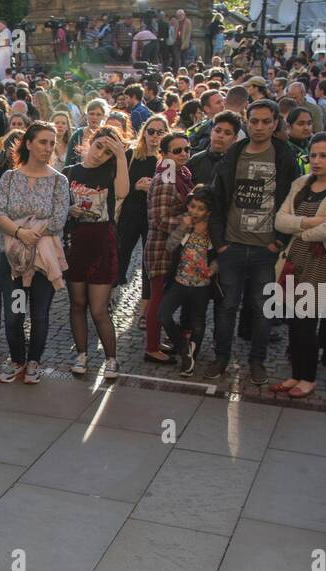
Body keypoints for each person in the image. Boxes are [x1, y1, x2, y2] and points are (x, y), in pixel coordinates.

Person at [207, 99, 301, 384]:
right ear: (246, 121)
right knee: (226, 307)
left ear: (275, 123)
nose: (259, 127)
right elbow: (218, 197)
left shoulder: (285, 156)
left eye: (265, 121)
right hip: (232, 246)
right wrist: (220, 243)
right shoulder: (234, 152)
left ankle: (257, 361)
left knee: (262, 309)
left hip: (266, 248)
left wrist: (279, 241)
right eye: (254, 121)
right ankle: (221, 357)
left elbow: (294, 200)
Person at [269, 132, 326, 399]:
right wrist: (309, 223)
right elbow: (279, 220)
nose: (317, 161)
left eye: (323, 155)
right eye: (313, 155)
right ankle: (296, 374)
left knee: (307, 322)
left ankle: (307, 378)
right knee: (295, 323)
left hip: (322, 261)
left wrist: (299, 228)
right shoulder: (300, 183)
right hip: (295, 259)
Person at [0, 120, 71, 385]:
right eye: (43, 142)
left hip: (43, 263)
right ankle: (17, 361)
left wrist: (26, 231)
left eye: (52, 142)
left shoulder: (59, 181)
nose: (48, 147)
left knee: (39, 315)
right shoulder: (10, 177)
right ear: (28, 143)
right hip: (14, 262)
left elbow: (58, 220)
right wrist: (19, 233)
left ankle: (34, 361)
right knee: (14, 315)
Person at [64, 127, 129, 378]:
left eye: (107, 151)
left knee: (99, 310)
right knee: (77, 303)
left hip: (103, 244)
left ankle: (111, 359)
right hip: (75, 243)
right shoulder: (69, 172)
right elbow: (59, 207)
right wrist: (69, 211)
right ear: (89, 142)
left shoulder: (112, 171)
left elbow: (123, 192)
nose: (100, 153)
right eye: (99, 145)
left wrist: (121, 157)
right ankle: (81, 355)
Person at [143, 130, 194, 365]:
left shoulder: (181, 174)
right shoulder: (165, 178)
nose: (183, 154)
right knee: (158, 299)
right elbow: (160, 219)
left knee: (163, 299)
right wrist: (188, 222)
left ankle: (157, 341)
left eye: (186, 149)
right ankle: (151, 348)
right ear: (163, 154)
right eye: (177, 150)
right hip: (161, 248)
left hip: (172, 247)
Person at [158, 184, 218, 374]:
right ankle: (184, 347)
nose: (195, 212)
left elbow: (221, 255)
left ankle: (190, 355)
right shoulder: (184, 224)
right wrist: (183, 228)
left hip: (202, 285)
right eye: (192, 206)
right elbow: (169, 246)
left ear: (208, 211)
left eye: (200, 209)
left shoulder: (212, 230)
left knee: (198, 323)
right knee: (164, 314)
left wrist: (212, 269)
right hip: (179, 281)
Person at [117, 116, 168, 323]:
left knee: (150, 263)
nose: (155, 136)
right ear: (144, 133)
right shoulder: (130, 155)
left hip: (153, 216)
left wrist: (153, 188)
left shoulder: (166, 161)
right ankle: (109, 294)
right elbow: (118, 187)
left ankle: (146, 308)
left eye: (160, 132)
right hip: (129, 212)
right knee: (121, 255)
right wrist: (136, 187)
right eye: (151, 131)